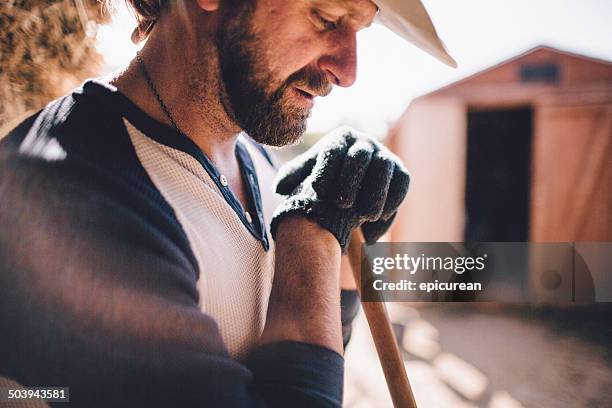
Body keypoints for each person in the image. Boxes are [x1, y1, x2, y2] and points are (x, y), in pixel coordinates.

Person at [0, 0, 454, 406]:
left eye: (360, 31)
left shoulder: (254, 155)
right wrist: (311, 237)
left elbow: (302, 373)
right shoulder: (71, 197)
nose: (348, 70)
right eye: (327, 17)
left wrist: (341, 260)